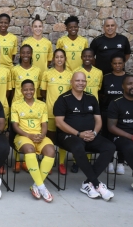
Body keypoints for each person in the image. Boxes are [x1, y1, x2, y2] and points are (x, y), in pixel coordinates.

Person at [53, 72, 116, 201]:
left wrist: (94, 133)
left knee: (110, 147)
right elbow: (59, 122)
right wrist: (78, 134)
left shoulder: (91, 98)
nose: (80, 83)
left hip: (90, 135)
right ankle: (97, 183)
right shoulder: (63, 99)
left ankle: (88, 182)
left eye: (83, 81)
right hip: (69, 135)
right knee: (77, 146)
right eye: (77, 80)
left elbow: (98, 120)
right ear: (71, 82)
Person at [11, 80, 54, 202]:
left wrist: (42, 135)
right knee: (29, 150)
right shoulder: (16, 104)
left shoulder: (42, 104)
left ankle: (35, 185)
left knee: (51, 151)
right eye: (25, 89)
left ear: (34, 90)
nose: (28, 92)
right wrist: (28, 135)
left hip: (39, 136)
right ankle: (42, 187)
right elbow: (15, 126)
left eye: (31, 89)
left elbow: (44, 124)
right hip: (23, 136)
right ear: (21, 90)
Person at [40, 49, 72, 175]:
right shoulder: (47, 73)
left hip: (65, 113)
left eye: (61, 57)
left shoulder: (70, 74)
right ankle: (49, 161)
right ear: (53, 59)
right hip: (50, 111)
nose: (59, 59)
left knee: (63, 137)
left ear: (65, 59)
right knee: (50, 138)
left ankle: (61, 163)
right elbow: (43, 92)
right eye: (57, 57)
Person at [100, 53, 129, 175]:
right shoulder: (106, 77)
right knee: (108, 137)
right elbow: (101, 94)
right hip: (107, 112)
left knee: (123, 137)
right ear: (111, 64)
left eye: (120, 63)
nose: (117, 65)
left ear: (123, 64)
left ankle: (121, 163)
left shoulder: (128, 78)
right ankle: (109, 162)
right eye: (115, 63)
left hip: (124, 113)